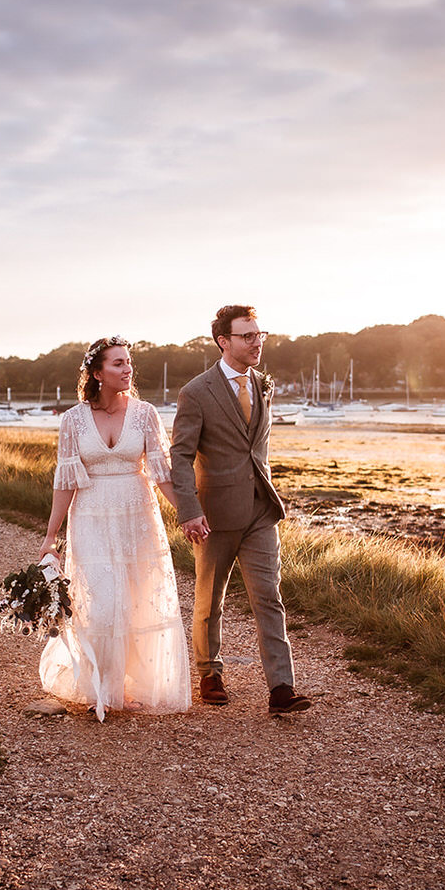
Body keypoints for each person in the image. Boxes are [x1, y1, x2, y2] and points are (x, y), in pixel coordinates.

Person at [37, 336, 191, 721]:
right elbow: (65, 482)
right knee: (101, 603)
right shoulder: (72, 420)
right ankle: (100, 686)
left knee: (135, 599)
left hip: (137, 515)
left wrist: (190, 513)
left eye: (128, 363)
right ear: (97, 372)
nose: (127, 370)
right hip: (89, 516)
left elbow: (162, 473)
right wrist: (50, 537)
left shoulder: (145, 414)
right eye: (118, 364)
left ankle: (125, 685)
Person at [170, 305, 311, 715]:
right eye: (247, 336)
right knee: (209, 599)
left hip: (261, 511)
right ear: (223, 341)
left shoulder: (263, 384)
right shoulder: (196, 392)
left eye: (259, 334)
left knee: (269, 596)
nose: (257, 342)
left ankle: (281, 688)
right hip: (212, 515)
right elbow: (180, 456)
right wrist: (189, 510)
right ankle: (209, 673)